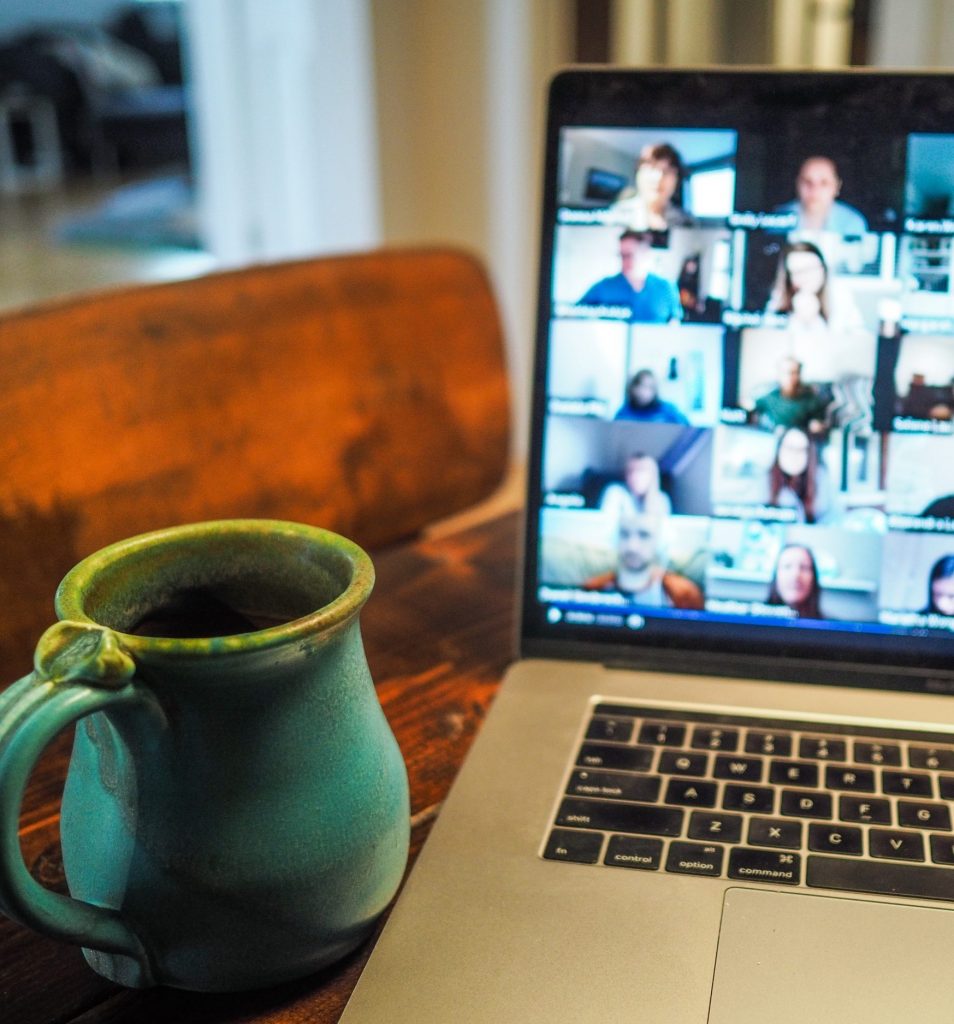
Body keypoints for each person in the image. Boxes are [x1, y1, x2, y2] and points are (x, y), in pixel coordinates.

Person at [584, 513, 703, 609]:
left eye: (644, 535)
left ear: (660, 542)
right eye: (624, 534)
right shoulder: (594, 588)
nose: (632, 546)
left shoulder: (685, 594)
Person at [578, 230, 683, 323]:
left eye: (629, 255)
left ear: (645, 253)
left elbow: (674, 324)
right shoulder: (603, 287)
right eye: (621, 256)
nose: (624, 261)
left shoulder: (666, 288)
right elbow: (576, 315)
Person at [774, 155, 868, 234]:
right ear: (797, 184)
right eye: (807, 181)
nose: (814, 189)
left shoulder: (852, 222)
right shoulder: (777, 219)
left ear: (837, 186)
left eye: (824, 183)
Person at [611, 142, 694, 231]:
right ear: (638, 174)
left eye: (667, 171)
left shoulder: (687, 223)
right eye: (652, 168)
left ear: (677, 180)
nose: (658, 178)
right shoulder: (614, 218)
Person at [762, 427, 833, 524]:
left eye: (801, 450)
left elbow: (832, 522)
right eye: (790, 448)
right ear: (779, 450)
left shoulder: (821, 482)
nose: (794, 455)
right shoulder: (764, 482)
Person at [751, 356, 827, 435]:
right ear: (779, 375)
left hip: (800, 441)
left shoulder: (811, 400)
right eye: (786, 373)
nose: (790, 377)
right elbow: (750, 407)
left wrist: (816, 425)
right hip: (775, 438)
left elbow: (819, 421)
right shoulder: (769, 398)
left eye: (794, 372)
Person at [600, 453, 673, 518]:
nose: (634, 476)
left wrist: (650, 499)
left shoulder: (662, 499)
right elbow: (607, 524)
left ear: (653, 475)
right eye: (630, 471)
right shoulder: (615, 492)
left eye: (641, 470)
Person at [766, 543, 824, 619]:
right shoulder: (753, 620)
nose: (796, 575)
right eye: (787, 566)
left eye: (804, 567)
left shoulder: (832, 627)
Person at [614, 369, 689, 424]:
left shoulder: (669, 410)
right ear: (633, 389)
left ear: (655, 390)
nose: (643, 392)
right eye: (640, 386)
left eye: (649, 387)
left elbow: (688, 430)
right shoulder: (624, 412)